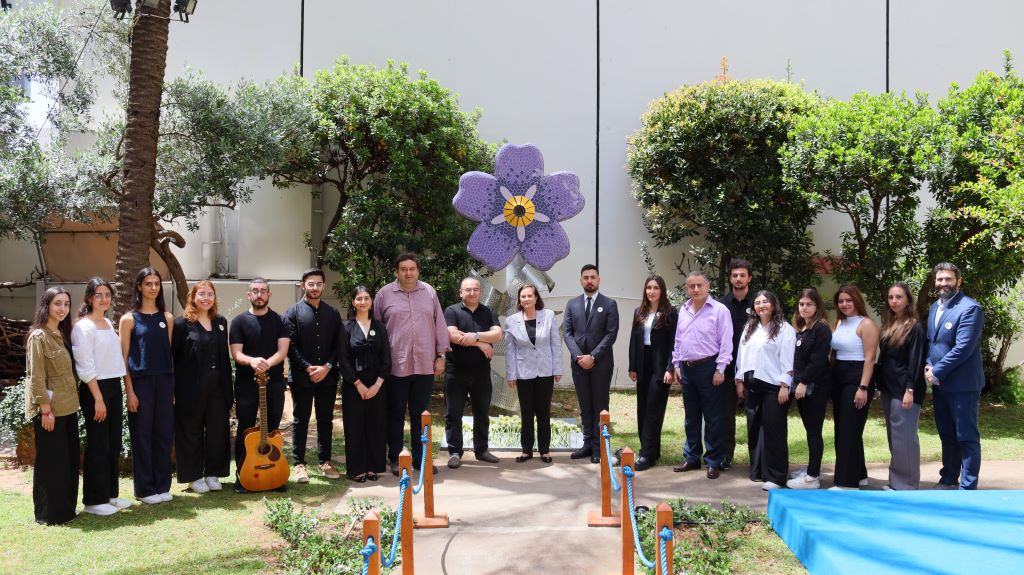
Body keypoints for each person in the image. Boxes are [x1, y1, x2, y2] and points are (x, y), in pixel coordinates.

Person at [374, 253, 449, 475]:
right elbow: (376, 330)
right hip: (396, 365)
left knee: (421, 415)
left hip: (425, 364)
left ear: (418, 270)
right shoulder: (384, 294)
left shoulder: (429, 292)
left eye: (412, 268)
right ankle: (396, 458)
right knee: (395, 414)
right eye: (403, 269)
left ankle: (421, 459)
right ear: (397, 271)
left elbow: (440, 324)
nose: (408, 273)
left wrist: (441, 355)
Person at [71, 277, 130, 515]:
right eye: (99, 295)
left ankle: (110, 495)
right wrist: (97, 398)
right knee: (98, 444)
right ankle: (94, 501)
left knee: (113, 443)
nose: (104, 299)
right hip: (95, 388)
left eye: (107, 294)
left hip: (113, 386)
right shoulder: (83, 327)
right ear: (89, 298)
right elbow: (84, 366)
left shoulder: (107, 321)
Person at [926, 262, 984, 490]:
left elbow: (963, 348)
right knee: (947, 435)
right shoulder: (934, 307)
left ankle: (968, 487)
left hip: (963, 385)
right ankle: (948, 478)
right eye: (940, 279)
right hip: (940, 384)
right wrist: (929, 366)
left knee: (966, 436)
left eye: (948, 279)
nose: (943, 283)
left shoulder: (970, 308)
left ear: (958, 281)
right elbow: (933, 342)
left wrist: (936, 371)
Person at [119, 267, 175, 504]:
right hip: (140, 383)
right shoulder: (128, 319)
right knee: (142, 435)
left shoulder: (168, 318)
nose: (153, 288)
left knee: (163, 434)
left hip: (163, 382)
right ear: (139, 287)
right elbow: (123, 360)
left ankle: (162, 485)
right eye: (148, 283)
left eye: (157, 283)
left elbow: (170, 356)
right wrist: (129, 391)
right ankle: (145, 489)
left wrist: (172, 389)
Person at [229, 277, 290, 493]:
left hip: (274, 384)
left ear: (269, 295)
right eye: (255, 291)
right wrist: (252, 361)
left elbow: (283, 351)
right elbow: (236, 353)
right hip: (246, 384)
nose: (259, 294)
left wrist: (266, 364)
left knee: (272, 429)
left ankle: (274, 474)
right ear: (248, 295)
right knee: (246, 429)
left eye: (263, 291)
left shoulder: (281, 321)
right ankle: (242, 475)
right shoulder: (239, 322)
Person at [25, 287, 79, 525]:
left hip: (68, 408)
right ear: (46, 305)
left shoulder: (61, 334)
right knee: (51, 464)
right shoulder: (39, 337)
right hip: (51, 412)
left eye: (66, 304)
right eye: (58, 303)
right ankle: (48, 514)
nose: (63, 309)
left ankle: (65, 510)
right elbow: (36, 377)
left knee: (67, 462)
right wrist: (45, 410)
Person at [671, 271, 733, 479]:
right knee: (691, 417)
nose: (695, 289)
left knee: (713, 418)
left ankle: (713, 461)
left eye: (699, 285)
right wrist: (677, 364)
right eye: (691, 286)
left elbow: (726, 342)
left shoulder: (719, 310)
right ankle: (691, 458)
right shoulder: (684, 310)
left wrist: (720, 369)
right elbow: (679, 340)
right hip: (687, 369)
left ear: (708, 286)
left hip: (709, 369)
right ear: (687, 288)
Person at [172, 280, 233, 494]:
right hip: (190, 387)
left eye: (210, 294)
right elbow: (173, 358)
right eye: (201, 294)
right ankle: (194, 476)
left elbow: (224, 356)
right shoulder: (181, 324)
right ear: (193, 297)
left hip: (218, 386)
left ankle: (213, 473)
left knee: (218, 430)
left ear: (214, 298)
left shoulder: (221, 322)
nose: (206, 298)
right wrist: (173, 389)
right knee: (191, 431)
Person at [284, 268, 343, 482]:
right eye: (311, 284)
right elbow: (291, 346)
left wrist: (327, 366)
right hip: (302, 377)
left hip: (327, 376)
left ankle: (325, 462)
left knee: (325, 420)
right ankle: (299, 464)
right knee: (301, 420)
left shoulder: (332, 313)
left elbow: (339, 345)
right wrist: (309, 368)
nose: (315, 288)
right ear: (303, 285)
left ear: (323, 286)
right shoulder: (292, 313)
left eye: (318, 284)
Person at [734, 290, 796, 490]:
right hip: (752, 385)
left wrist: (786, 385)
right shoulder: (750, 327)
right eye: (757, 302)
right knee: (754, 428)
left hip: (774, 387)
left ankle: (777, 476)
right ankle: (758, 470)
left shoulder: (784, 328)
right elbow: (741, 356)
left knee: (773, 430)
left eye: (765, 302)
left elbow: (788, 359)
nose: (761, 305)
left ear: (773, 304)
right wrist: (739, 381)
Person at [443, 277, 503, 469]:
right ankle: (454, 452)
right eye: (468, 290)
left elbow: (498, 334)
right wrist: (481, 342)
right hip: (455, 372)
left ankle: (482, 450)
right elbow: (452, 334)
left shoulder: (488, 312)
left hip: (481, 373)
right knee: (453, 413)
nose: (472, 293)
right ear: (461, 292)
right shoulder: (451, 311)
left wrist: (474, 336)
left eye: (475, 290)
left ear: (481, 292)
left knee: (482, 412)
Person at [563, 264, 619, 464]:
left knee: (600, 405)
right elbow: (567, 333)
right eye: (585, 277)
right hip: (578, 364)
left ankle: (599, 447)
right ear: (580, 281)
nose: (589, 280)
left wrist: (592, 357)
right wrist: (580, 357)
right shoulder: (572, 304)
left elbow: (611, 334)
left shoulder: (609, 304)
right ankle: (587, 444)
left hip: (601, 364)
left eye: (593, 277)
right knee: (585, 405)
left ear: (599, 279)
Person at [504, 284, 563, 463]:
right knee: (527, 412)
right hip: (523, 373)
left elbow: (555, 343)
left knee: (543, 412)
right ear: (519, 300)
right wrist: (511, 374)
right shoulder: (511, 321)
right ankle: (526, 450)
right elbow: (509, 350)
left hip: (545, 371)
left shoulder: (548, 315)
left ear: (536, 298)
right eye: (523, 296)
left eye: (530, 296)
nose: (527, 299)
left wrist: (557, 369)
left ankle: (544, 450)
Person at [338, 286, 391, 482]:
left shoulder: (380, 327)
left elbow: (387, 358)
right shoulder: (345, 328)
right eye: (358, 298)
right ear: (353, 302)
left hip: (378, 385)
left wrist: (377, 384)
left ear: (371, 301)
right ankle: (356, 468)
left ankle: (373, 466)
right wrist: (358, 384)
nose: (362, 301)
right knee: (354, 426)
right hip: (354, 386)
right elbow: (343, 360)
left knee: (376, 425)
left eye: (366, 298)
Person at [829, 285, 879, 490]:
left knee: (849, 430)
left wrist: (863, 387)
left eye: (848, 300)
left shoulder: (866, 324)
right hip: (839, 376)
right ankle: (859, 475)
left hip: (858, 377)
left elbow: (870, 358)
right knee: (843, 429)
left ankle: (846, 483)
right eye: (841, 301)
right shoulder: (839, 322)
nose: (844, 304)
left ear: (857, 300)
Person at [877, 282, 926, 490]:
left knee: (905, 437)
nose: (894, 301)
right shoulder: (889, 324)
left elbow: (915, 361)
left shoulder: (914, 327)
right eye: (891, 297)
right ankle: (897, 482)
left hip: (905, 390)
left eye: (898, 297)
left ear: (908, 300)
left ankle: (907, 485)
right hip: (889, 388)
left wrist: (910, 390)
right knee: (895, 436)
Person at [627, 275, 677, 471]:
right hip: (642, 363)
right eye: (649, 287)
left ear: (662, 291)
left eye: (656, 288)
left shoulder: (671, 313)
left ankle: (646, 454)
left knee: (654, 409)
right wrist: (632, 366)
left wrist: (670, 367)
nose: (652, 291)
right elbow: (633, 339)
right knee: (643, 408)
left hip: (660, 365)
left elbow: (674, 342)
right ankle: (651, 451)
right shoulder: (639, 312)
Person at [786, 288, 832, 490]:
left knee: (814, 431)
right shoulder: (802, 328)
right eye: (802, 304)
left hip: (815, 388)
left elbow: (818, 360)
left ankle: (812, 477)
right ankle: (812, 468)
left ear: (817, 307)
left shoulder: (821, 329)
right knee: (809, 430)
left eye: (809, 304)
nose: (804, 308)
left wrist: (803, 382)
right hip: (803, 387)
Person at [718, 258, 753, 470]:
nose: (738, 279)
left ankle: (756, 458)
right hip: (727, 366)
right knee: (725, 414)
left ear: (749, 277)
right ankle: (725, 456)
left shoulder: (759, 302)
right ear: (730, 278)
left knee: (754, 413)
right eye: (734, 275)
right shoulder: (721, 304)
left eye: (742, 275)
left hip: (753, 368)